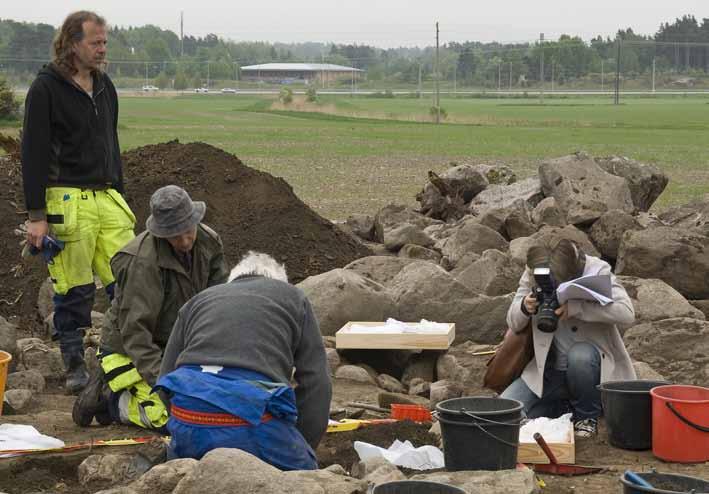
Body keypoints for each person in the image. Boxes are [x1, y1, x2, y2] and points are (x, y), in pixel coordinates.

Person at [21, 11, 134, 394]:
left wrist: (117, 187)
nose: (103, 49)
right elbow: (33, 153)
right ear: (72, 44)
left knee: (130, 280)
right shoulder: (46, 89)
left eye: (105, 42)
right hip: (66, 200)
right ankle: (74, 368)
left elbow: (111, 144)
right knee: (75, 289)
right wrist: (37, 216)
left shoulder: (105, 86)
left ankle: (123, 358)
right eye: (96, 43)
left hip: (107, 198)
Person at [154, 251, 331, 470]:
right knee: (308, 479)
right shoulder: (294, 297)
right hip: (253, 419)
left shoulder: (197, 301)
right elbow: (317, 383)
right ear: (279, 282)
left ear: (233, 280)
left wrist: (188, 420)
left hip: (188, 416)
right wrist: (301, 443)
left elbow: (165, 378)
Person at [72, 185, 229, 430]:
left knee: (216, 404)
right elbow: (136, 334)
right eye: (176, 236)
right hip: (130, 348)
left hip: (177, 342)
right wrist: (165, 385)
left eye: (189, 230)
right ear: (162, 233)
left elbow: (219, 302)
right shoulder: (142, 263)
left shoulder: (209, 241)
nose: (186, 240)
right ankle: (111, 400)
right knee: (173, 418)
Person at [501, 238, 636, 438]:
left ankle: (586, 416)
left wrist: (577, 308)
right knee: (505, 411)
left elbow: (626, 313)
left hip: (589, 371)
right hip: (547, 372)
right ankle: (564, 410)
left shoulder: (597, 270)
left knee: (580, 356)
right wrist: (524, 307)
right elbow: (513, 322)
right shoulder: (534, 273)